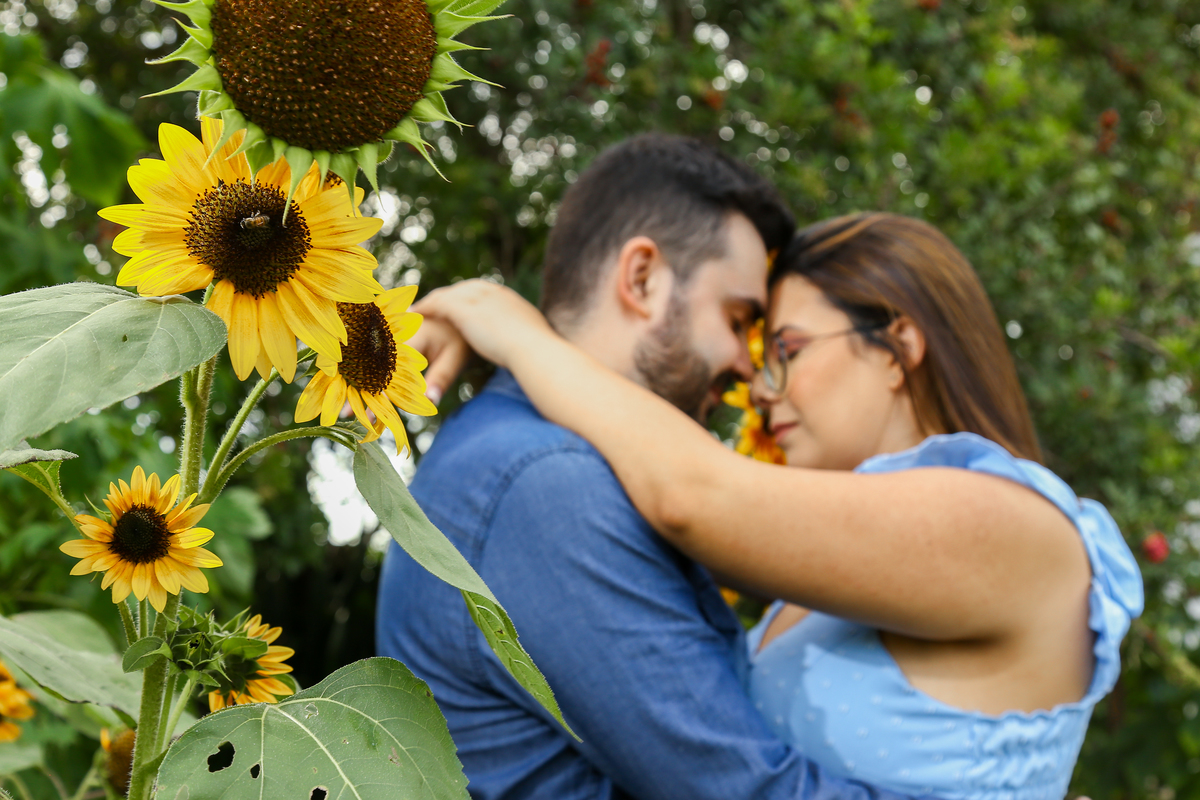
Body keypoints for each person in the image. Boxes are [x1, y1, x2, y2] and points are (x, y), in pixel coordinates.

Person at [408, 212, 1145, 800]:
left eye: (786, 350)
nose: (763, 390)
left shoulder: (1015, 521)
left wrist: (515, 330)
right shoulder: (842, 579)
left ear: (896, 347)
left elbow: (692, 494)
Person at [376, 137, 933, 800]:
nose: (747, 369)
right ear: (642, 279)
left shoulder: (532, 459)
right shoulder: (548, 485)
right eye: (737, 319)